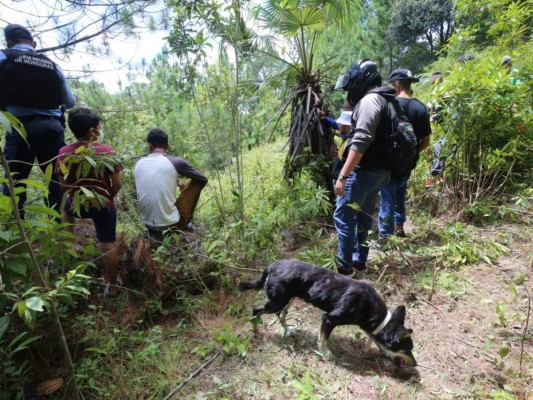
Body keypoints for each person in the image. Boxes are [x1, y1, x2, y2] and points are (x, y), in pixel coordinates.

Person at [0, 24, 75, 219]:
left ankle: (15, 233)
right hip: (53, 129)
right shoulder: (52, 65)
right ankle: (59, 232)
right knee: (55, 181)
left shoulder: (4, 57)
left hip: (21, 129)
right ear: (33, 43)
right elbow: (69, 102)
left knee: (15, 181)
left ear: (8, 42)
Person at [333, 59, 393, 274]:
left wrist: (343, 175)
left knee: (344, 217)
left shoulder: (369, 101)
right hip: (380, 172)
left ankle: (345, 270)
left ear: (361, 80)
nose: (350, 91)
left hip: (365, 172)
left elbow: (361, 141)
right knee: (364, 218)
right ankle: (360, 262)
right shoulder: (386, 99)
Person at [56, 108, 123, 297]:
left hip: (78, 205)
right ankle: (113, 286)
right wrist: (107, 197)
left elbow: (63, 186)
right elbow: (117, 183)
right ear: (93, 131)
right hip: (103, 206)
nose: (100, 131)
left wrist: (77, 195)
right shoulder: (106, 151)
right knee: (108, 243)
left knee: (66, 210)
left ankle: (71, 244)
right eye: (99, 127)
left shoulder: (64, 152)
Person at [378, 69, 431, 237]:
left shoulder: (388, 105)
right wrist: (411, 154)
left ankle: (385, 237)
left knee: (387, 198)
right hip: (408, 163)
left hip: (388, 163)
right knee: (400, 193)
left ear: (397, 85)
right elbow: (425, 141)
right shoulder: (421, 107)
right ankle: (399, 227)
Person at [134, 128, 208, 239]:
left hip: (148, 224)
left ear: (149, 146)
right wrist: (183, 182)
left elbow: (158, 178)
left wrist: (178, 179)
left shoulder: (139, 164)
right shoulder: (175, 162)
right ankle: (186, 221)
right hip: (170, 224)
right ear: (168, 145)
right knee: (197, 182)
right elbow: (203, 179)